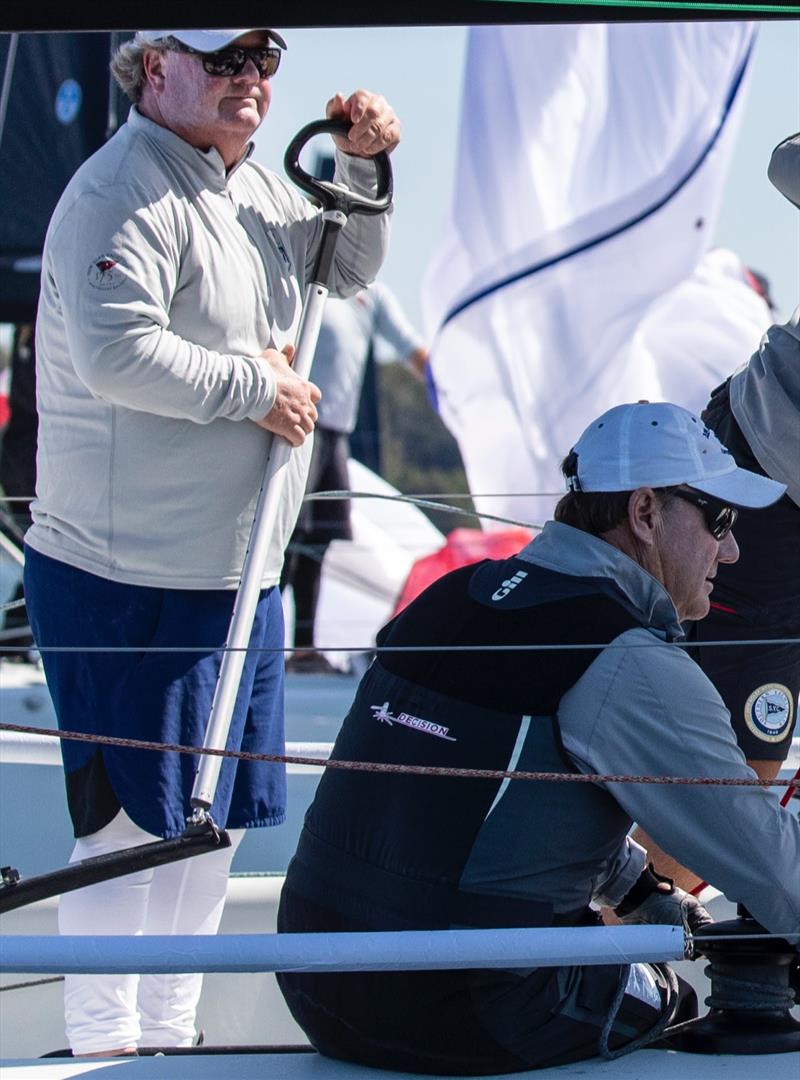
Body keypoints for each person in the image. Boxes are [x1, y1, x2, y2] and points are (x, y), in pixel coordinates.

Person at [23, 27, 400, 1056]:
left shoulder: (260, 189)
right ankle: (103, 1047)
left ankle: (173, 1043)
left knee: (211, 830)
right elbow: (114, 352)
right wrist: (257, 390)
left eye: (262, 63)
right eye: (223, 60)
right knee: (125, 833)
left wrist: (363, 164)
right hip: (120, 573)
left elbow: (345, 267)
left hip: (239, 579)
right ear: (154, 68)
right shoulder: (117, 191)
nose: (249, 81)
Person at [276, 401, 799, 1075]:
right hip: (466, 1006)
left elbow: (496, 807)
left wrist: (644, 897)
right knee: (679, 1004)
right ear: (644, 514)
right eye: (720, 519)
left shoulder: (454, 597)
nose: (730, 548)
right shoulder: (630, 660)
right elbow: (776, 876)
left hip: (315, 982)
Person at [637, 132, 800, 891]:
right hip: (759, 491)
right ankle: (619, 954)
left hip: (754, 483)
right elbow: (788, 159)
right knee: (729, 781)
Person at [281, 281, 428, 674]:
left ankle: (304, 647)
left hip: (335, 431)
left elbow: (410, 347)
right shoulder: (304, 276)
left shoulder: (373, 295)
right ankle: (258, 643)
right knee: (286, 541)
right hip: (297, 426)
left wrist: (451, 391)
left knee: (318, 542)